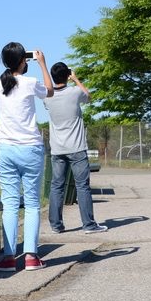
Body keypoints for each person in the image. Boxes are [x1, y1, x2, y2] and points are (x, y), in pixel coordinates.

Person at [0, 42, 53, 272]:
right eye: (25, 59)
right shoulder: (30, 83)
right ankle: (31, 257)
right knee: (33, 204)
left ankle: (8, 257)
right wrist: (43, 64)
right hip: (30, 149)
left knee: (9, 204)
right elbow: (50, 90)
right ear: (22, 61)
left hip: (6, 150)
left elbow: (4, 88)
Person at [43, 62, 108, 234]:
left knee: (57, 186)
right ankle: (89, 225)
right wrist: (76, 78)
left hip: (57, 149)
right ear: (67, 75)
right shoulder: (74, 92)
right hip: (76, 147)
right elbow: (89, 95)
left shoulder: (46, 97)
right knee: (82, 186)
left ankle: (56, 226)